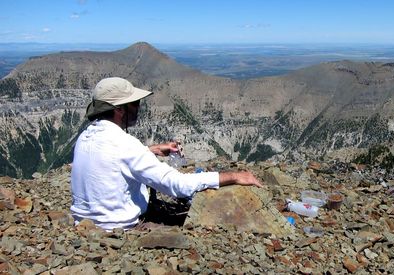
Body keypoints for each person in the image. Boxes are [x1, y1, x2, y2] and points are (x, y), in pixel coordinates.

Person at [70, 77, 262, 230]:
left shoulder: (85, 137)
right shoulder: (125, 144)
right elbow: (177, 185)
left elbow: (110, 158)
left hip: (85, 225)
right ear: (120, 109)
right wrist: (233, 176)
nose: (139, 107)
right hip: (118, 229)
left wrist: (150, 150)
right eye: (135, 103)